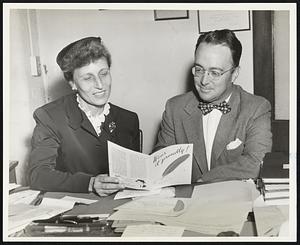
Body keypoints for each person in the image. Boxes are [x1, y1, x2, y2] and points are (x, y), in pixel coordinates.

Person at [154, 29, 272, 183]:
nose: (204, 81)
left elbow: (256, 162)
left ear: (234, 73)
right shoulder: (174, 108)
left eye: (215, 73)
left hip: (234, 201)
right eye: (199, 69)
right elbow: (159, 160)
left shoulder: (256, 108)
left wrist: (205, 180)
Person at [27, 37, 140, 196]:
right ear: (72, 83)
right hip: (72, 210)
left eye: (104, 74)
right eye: (88, 78)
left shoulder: (129, 119)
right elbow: (38, 175)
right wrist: (90, 183)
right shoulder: (50, 117)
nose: (100, 85)